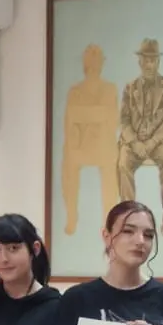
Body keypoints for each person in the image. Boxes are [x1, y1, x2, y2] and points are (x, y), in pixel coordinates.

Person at [117, 40, 163, 236]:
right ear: (140, 62)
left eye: (153, 60)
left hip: (159, 141)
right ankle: (127, 214)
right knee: (122, 163)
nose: (149, 65)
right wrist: (135, 142)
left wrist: (152, 141)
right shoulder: (130, 88)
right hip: (135, 142)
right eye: (146, 60)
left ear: (158, 62)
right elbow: (124, 120)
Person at [62, 45, 119, 235]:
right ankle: (71, 216)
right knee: (68, 162)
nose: (92, 64)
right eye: (89, 60)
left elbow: (111, 119)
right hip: (80, 145)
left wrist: (85, 115)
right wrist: (96, 115)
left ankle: (110, 220)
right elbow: (70, 120)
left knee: (111, 166)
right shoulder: (75, 91)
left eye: (96, 60)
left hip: (102, 145)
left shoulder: (109, 89)